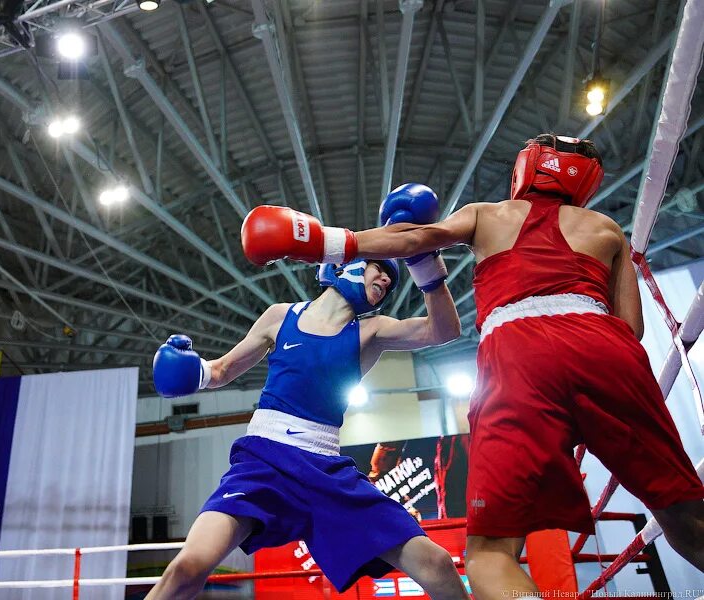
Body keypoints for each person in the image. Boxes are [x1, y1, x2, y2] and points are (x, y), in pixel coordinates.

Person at [240, 134, 704, 598]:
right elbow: (632, 328)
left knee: (490, 555)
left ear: (528, 167)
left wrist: (321, 241)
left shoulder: (490, 213)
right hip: (607, 350)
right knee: (683, 514)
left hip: (519, 355)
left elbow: (419, 237)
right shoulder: (606, 228)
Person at [148, 202, 469, 599]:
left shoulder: (372, 330)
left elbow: (443, 330)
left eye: (391, 279)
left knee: (436, 563)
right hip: (263, 462)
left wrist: (426, 267)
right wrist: (191, 370)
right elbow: (220, 372)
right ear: (345, 265)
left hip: (327, 469)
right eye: (379, 269)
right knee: (187, 567)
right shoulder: (279, 316)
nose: (385, 281)